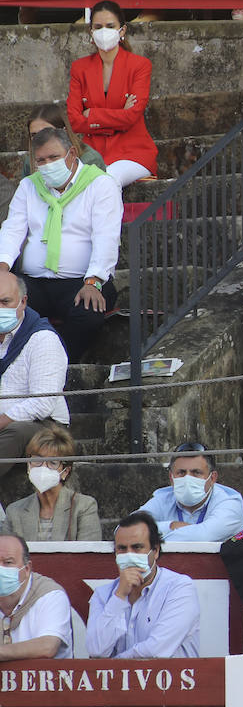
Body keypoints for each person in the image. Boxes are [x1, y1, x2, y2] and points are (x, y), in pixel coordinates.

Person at [0, 127, 120, 363]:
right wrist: (2, 270)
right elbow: (12, 230)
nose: (47, 165)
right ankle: (15, 364)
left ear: (72, 153)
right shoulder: (29, 186)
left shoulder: (100, 184)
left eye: (54, 158)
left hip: (82, 280)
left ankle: (55, 364)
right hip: (34, 281)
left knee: (89, 315)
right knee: (7, 306)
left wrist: (93, 281)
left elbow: (106, 236)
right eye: (41, 160)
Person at [66, 0, 158, 187]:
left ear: (122, 30)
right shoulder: (80, 68)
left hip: (133, 153)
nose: (103, 31)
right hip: (91, 153)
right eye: (98, 27)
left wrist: (92, 114)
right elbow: (75, 121)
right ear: (91, 31)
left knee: (107, 179)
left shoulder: (139, 66)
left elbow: (132, 116)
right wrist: (119, 116)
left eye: (110, 26)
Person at [86, 511, 199, 658]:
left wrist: (113, 665)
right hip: (119, 681)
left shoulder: (179, 588)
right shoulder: (103, 595)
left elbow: (155, 651)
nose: (129, 555)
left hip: (170, 680)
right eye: (122, 549)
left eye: (137, 547)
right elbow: (96, 650)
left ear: (156, 550)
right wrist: (119, 596)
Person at [0, 271, 70, 472]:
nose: (0, 308)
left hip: (43, 425)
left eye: (5, 301)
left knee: (16, 432)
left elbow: (42, 402)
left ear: (22, 302)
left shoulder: (42, 339)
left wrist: (2, 421)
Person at [5, 425, 100, 541]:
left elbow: (89, 555)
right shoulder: (14, 511)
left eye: (53, 463)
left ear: (65, 471)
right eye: (36, 460)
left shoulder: (84, 507)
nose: (43, 467)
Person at [137, 442, 243, 542]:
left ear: (213, 478)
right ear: (171, 477)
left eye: (196, 472)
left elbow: (203, 537)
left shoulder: (229, 504)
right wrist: (170, 526)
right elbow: (125, 530)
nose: (187, 478)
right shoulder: (163, 499)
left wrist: (150, 534)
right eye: (181, 472)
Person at [0, 530, 72, 660]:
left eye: (8, 562)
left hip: (48, 679)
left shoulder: (50, 594)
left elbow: (47, 646)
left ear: (27, 569)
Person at [23, 103, 105, 178]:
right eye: (34, 135)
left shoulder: (90, 160)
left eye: (47, 132)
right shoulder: (29, 162)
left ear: (64, 131)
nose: (40, 138)